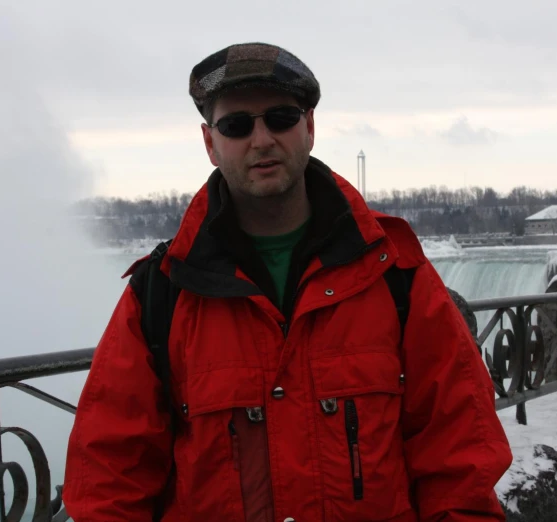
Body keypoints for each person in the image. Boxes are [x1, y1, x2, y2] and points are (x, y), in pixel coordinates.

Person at [63, 42, 512, 522]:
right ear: (210, 143)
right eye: (236, 125)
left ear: (310, 128)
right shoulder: (162, 293)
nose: (261, 140)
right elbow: (109, 476)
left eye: (280, 117)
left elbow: (460, 453)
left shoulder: (395, 274)